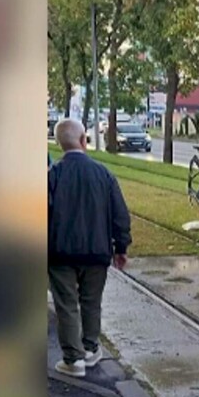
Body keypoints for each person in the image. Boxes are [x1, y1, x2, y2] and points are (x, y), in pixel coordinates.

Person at [48, 118, 131, 378]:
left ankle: (73, 360)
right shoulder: (104, 174)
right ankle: (91, 348)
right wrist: (121, 247)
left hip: (60, 253)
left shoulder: (52, 176)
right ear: (84, 140)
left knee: (67, 304)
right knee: (91, 301)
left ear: (60, 144)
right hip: (97, 252)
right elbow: (120, 214)